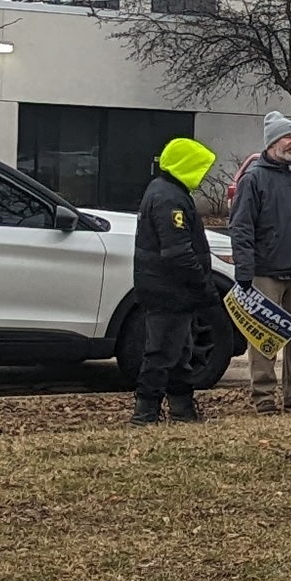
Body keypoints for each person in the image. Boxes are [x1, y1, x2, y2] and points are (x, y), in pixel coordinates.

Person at [224, 118, 291, 413]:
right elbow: (241, 228)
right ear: (272, 142)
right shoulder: (253, 180)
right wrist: (245, 272)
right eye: (287, 137)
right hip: (265, 275)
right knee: (264, 337)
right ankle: (264, 397)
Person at [128, 135, 218, 424]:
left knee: (179, 352)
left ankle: (182, 409)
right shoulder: (170, 199)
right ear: (186, 166)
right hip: (170, 290)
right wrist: (203, 285)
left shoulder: (166, 191)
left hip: (169, 289)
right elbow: (178, 253)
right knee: (162, 352)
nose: (204, 176)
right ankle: (145, 414)